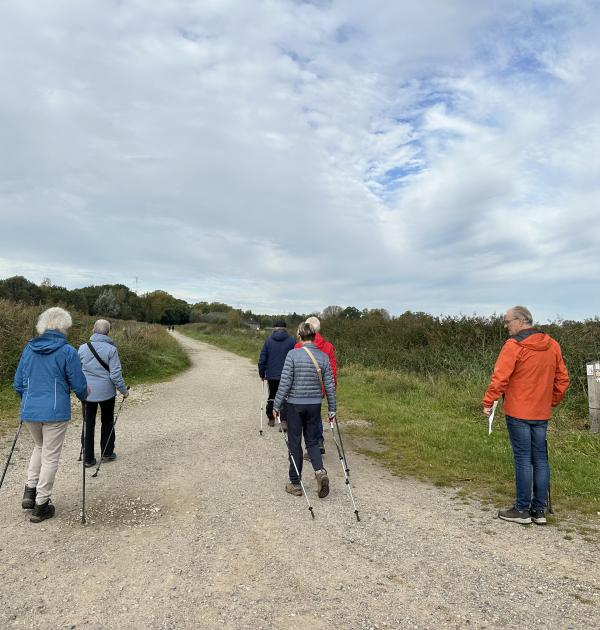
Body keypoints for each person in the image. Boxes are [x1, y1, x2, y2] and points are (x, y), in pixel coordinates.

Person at [483, 306, 570, 525]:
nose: (506, 326)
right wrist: (550, 402)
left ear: (521, 321)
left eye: (507, 321)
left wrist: (488, 401)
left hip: (518, 411)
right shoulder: (553, 345)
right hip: (541, 413)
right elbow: (562, 380)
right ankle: (538, 511)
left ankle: (522, 509)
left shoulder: (514, 346)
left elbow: (500, 377)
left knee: (523, 459)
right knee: (540, 459)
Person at [13, 307, 88, 523]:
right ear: (64, 327)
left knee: (39, 447)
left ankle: (29, 491)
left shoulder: (29, 349)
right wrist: (84, 396)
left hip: (30, 410)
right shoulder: (67, 351)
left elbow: (18, 383)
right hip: (55, 412)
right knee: (50, 455)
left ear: (42, 325)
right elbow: (79, 384)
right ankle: (41, 504)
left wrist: (27, 401)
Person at [274, 322, 336, 498]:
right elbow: (329, 386)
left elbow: (285, 383)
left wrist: (276, 405)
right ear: (314, 336)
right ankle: (320, 472)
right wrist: (332, 410)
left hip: (294, 405)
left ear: (300, 336)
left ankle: (295, 483)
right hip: (315, 405)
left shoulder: (293, 355)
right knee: (312, 441)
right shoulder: (323, 357)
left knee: (295, 443)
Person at [78, 319, 129, 467]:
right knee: (107, 421)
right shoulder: (111, 350)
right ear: (108, 332)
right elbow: (115, 375)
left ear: (93, 330)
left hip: (87, 393)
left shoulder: (82, 348)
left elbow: (77, 371)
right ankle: (107, 453)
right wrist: (123, 391)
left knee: (88, 423)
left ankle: (88, 459)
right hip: (107, 393)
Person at [295, 315, 337, 455]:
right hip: (321, 387)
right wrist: (332, 388)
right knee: (315, 415)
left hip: (301, 389)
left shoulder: (298, 346)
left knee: (307, 418)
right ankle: (318, 441)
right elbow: (332, 370)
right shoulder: (328, 347)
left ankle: (313, 444)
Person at [257, 319, 296, 429]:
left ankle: (271, 418)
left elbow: (262, 358)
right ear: (285, 328)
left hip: (272, 374)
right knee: (285, 396)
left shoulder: (268, 340)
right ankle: (284, 420)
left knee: (272, 396)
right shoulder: (292, 341)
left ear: (274, 328)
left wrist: (262, 372)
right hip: (287, 374)